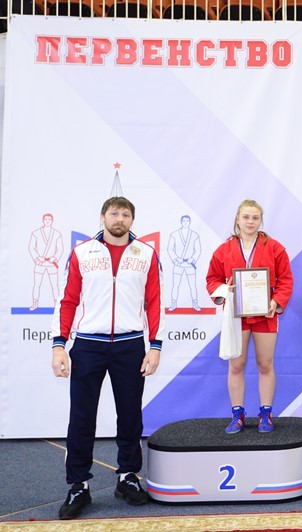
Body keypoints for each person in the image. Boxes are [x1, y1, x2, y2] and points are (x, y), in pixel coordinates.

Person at [50, 197, 164, 520]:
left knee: (130, 415)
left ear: (132, 219)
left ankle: (128, 476)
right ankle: (78, 485)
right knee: (81, 417)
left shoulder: (146, 254)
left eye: (125, 214)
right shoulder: (83, 253)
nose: (119, 219)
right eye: (114, 213)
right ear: (102, 217)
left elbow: (155, 302)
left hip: (130, 345)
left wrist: (155, 346)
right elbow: (68, 300)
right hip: (88, 345)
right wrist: (59, 345)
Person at [206, 199, 294, 435]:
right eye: (246, 217)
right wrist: (224, 290)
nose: (250, 222)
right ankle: (238, 414)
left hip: (265, 314)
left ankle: (266, 414)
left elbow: (286, 280)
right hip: (237, 316)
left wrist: (276, 302)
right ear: (237, 219)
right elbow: (212, 279)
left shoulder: (274, 248)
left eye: (255, 218)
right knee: (236, 365)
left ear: (261, 220)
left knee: (265, 364)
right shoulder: (224, 250)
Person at [28, 213, 64, 310]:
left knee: (54, 285)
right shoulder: (36, 233)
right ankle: (35, 303)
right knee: (37, 284)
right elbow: (31, 248)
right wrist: (37, 258)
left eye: (49, 219)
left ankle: (57, 305)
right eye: (46, 219)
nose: (47, 221)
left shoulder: (57, 234)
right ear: (43, 221)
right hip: (40, 263)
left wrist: (55, 258)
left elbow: (60, 249)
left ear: (52, 221)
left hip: (51, 263)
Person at [167, 215, 202, 312]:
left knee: (192, 285)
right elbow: (170, 249)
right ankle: (174, 303)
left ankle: (195, 303)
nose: (185, 222)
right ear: (181, 222)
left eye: (187, 221)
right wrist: (175, 260)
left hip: (190, 264)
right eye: (184, 221)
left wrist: (193, 259)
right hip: (178, 264)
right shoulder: (174, 234)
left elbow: (198, 250)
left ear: (189, 222)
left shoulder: (194, 235)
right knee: (175, 285)